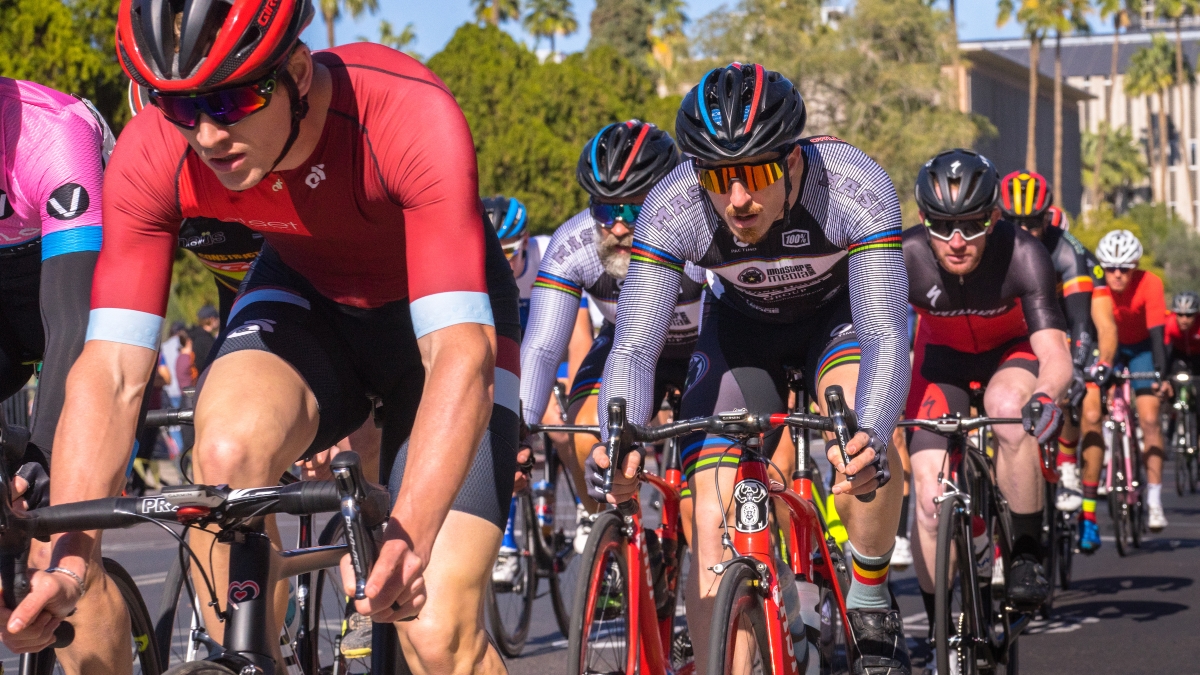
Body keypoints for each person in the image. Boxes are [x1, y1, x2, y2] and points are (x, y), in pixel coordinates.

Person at [1, 3, 519, 674]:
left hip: (442, 331)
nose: (208, 135)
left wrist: (408, 533)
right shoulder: (154, 149)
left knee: (437, 629)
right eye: (180, 107)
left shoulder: (404, 112)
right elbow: (111, 371)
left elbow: (459, 356)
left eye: (234, 97)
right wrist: (72, 557)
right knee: (223, 452)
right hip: (309, 302)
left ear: (298, 71)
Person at [591, 65, 912, 674]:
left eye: (757, 174)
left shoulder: (854, 184)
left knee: (864, 439)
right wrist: (622, 436)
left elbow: (884, 331)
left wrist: (870, 426)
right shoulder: (674, 206)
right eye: (718, 178)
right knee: (709, 511)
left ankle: (869, 592)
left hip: (836, 322)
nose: (737, 200)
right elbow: (633, 346)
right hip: (743, 332)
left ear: (792, 162)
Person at [902, 150, 1072, 637]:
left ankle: (1024, 555)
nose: (956, 242)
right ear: (922, 219)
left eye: (973, 225)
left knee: (1007, 412)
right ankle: (937, 618)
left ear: (994, 217)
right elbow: (884, 342)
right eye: (941, 225)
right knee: (931, 494)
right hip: (941, 361)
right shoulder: (905, 257)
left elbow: (1054, 354)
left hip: (1010, 353)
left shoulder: (1023, 253)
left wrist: (1047, 396)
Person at [0, 77, 129, 671]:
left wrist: (46, 456)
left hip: (76, 300)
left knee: (61, 546)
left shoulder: (53, 133)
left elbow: (74, 322)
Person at [997, 170, 1119, 553]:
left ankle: (1071, 476)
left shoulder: (1068, 251)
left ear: (1047, 218)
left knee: (1080, 399)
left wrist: (1080, 369)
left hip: (1061, 328)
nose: (1023, 230)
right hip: (1012, 337)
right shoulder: (993, 245)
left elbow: (1087, 321)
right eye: (1013, 222)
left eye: (1032, 223)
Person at [483, 192, 595, 582]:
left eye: (511, 252)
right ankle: (505, 540)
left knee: (559, 420)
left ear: (526, 240)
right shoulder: (479, 267)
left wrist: (572, 387)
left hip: (557, 352)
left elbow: (580, 338)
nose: (504, 262)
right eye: (495, 253)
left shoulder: (551, 253)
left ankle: (585, 506)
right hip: (514, 357)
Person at [1095, 229, 1170, 532]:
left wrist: (1161, 377)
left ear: (1135, 266)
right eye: (1110, 267)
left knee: (1150, 420)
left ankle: (1153, 499)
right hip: (1110, 349)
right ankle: (1104, 468)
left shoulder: (1150, 283)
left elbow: (1157, 336)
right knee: (1096, 408)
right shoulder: (1097, 284)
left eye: (1124, 268)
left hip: (1142, 350)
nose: (1116, 274)